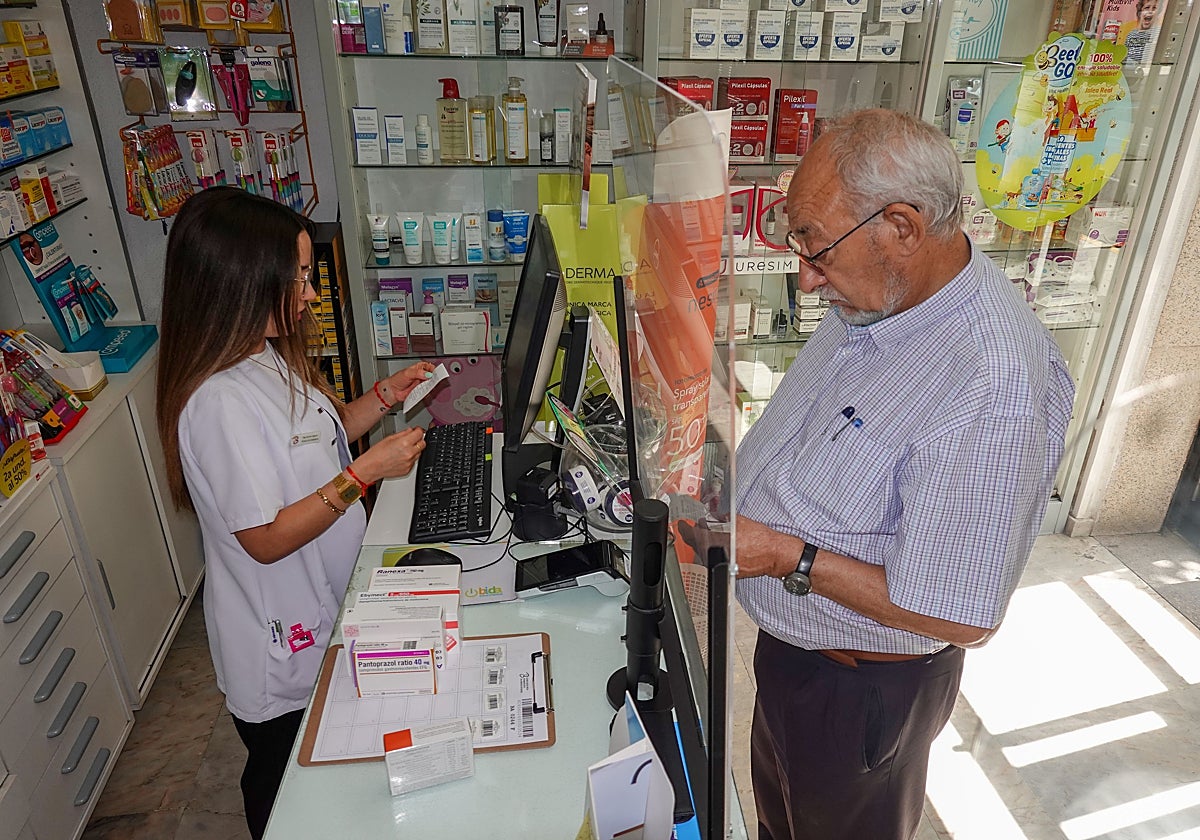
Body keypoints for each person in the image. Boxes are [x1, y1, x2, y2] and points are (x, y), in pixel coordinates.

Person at [731, 110, 1075, 839]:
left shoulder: (990, 383)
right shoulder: (880, 290)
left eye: (817, 249)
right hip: (795, 655)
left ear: (902, 227)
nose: (806, 277)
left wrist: (787, 556)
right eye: (799, 243)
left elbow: (960, 613)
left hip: (860, 693)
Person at [155, 187, 434, 840]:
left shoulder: (262, 353)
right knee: (282, 790)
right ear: (245, 283)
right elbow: (265, 537)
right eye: (300, 278)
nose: (310, 294)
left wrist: (385, 397)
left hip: (321, 604)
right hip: (278, 643)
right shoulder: (218, 403)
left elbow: (321, 435)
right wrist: (364, 474)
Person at [1123, 0, 1161, 65]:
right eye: (1147, 8)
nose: (1150, 11)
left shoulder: (1157, 32)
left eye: (1154, 8)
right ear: (1139, 13)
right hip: (1129, 67)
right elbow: (1124, 55)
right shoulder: (1131, 34)